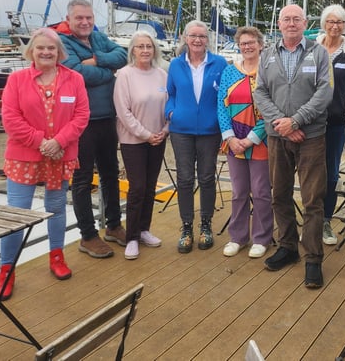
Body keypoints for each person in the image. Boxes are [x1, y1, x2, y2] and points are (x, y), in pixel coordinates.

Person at [0, 28, 90, 299]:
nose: (46, 52)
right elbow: (11, 119)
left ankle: (57, 257)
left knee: (56, 208)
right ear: (31, 52)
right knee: (17, 213)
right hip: (24, 155)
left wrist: (59, 141)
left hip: (60, 154)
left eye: (51, 48)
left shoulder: (74, 79)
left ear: (59, 51)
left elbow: (82, 115)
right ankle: (7, 269)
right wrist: (42, 142)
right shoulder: (16, 80)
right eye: (40, 48)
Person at [253, 4, 333, 289]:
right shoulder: (268, 54)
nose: (291, 23)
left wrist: (297, 121)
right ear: (278, 23)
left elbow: (325, 91)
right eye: (286, 19)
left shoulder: (319, 53)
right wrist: (282, 124)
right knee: (280, 194)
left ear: (305, 23)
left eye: (296, 19)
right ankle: (287, 247)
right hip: (277, 137)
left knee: (312, 199)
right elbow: (260, 92)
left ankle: (313, 258)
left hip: (311, 136)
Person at [58, 0, 128, 259]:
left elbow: (122, 55)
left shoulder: (97, 38)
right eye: (79, 18)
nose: (85, 22)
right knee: (83, 179)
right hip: (80, 122)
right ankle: (87, 235)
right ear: (69, 19)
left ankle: (112, 225)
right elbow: (75, 73)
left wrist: (95, 59)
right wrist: (107, 72)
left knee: (111, 173)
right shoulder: (62, 41)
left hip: (107, 118)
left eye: (89, 18)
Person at [166, 20, 227, 253]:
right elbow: (170, 94)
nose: (198, 40)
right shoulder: (175, 65)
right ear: (185, 38)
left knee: (207, 178)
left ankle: (206, 225)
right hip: (181, 130)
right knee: (184, 179)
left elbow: (225, 97)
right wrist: (170, 112)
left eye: (202, 36)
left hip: (210, 131)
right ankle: (186, 226)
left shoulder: (220, 63)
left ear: (207, 40)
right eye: (193, 36)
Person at [217, 26, 272, 259]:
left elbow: (272, 109)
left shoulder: (269, 71)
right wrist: (230, 137)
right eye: (243, 43)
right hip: (234, 141)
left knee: (260, 191)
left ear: (260, 45)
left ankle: (262, 238)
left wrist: (251, 139)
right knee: (239, 191)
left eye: (251, 42)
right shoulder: (229, 72)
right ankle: (237, 237)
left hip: (260, 140)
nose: (247, 46)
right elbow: (221, 106)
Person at [113, 31, 169, 260]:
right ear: (133, 50)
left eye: (149, 46)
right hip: (134, 140)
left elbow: (169, 104)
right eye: (140, 46)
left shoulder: (162, 75)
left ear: (154, 49)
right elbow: (123, 111)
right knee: (137, 188)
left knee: (150, 186)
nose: (145, 50)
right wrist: (145, 134)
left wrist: (165, 130)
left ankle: (145, 229)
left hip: (158, 138)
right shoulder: (124, 75)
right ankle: (132, 237)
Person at [316, 4, 345, 245]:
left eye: (340, 22)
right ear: (324, 24)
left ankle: (325, 220)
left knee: (330, 171)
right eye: (331, 22)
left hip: (336, 123)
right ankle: (312, 218)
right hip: (310, 121)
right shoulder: (313, 47)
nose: (335, 26)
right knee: (311, 172)